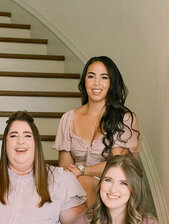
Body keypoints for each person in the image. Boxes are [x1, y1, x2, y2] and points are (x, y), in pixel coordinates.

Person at [53, 56, 141, 206]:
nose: (96, 83)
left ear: (111, 83)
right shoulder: (68, 119)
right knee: (67, 186)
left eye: (104, 77)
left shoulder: (124, 118)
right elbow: (65, 169)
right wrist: (77, 174)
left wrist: (82, 170)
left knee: (78, 185)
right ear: (84, 81)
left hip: (112, 187)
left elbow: (116, 167)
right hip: (74, 186)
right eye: (91, 76)